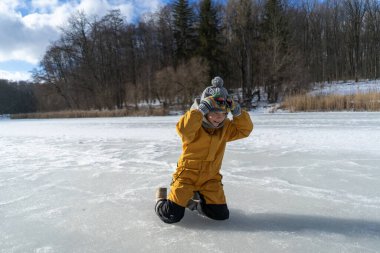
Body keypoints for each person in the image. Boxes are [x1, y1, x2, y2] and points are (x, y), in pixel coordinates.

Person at [155, 76, 253, 224]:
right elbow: (183, 130)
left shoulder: (226, 127)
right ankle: (160, 201)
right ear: (205, 110)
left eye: (224, 114)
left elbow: (245, 130)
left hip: (210, 178)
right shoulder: (194, 124)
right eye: (214, 112)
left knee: (220, 215)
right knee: (171, 215)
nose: (219, 118)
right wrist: (199, 111)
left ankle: (193, 202)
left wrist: (238, 112)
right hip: (187, 176)